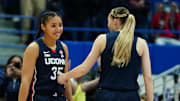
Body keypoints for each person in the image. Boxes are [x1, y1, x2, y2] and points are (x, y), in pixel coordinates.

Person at [58, 7, 153, 101]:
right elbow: (148, 78)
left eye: (108, 21)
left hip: (107, 95)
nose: (108, 24)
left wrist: (65, 76)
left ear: (115, 21)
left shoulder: (102, 39)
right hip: (131, 96)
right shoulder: (142, 43)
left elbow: (84, 68)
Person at [18, 11, 73, 101]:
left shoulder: (63, 47)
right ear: (43, 26)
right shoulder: (34, 48)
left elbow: (66, 80)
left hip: (59, 98)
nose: (58, 29)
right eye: (53, 26)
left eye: (60, 25)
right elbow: (25, 82)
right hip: (40, 97)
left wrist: (71, 100)